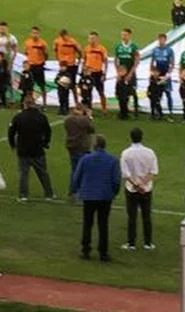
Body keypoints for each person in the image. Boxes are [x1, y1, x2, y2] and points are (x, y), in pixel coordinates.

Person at [71, 135, 120, 263]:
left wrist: (75, 189)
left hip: (89, 195)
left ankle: (85, 250)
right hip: (105, 196)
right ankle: (103, 252)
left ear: (94, 145)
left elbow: (77, 176)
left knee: (87, 223)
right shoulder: (112, 160)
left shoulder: (85, 159)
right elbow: (116, 180)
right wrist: (113, 192)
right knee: (103, 224)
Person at [7, 96, 54, 201]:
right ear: (33, 104)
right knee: (42, 172)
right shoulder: (41, 117)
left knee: (23, 173)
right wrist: (45, 143)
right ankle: (49, 194)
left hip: (23, 150)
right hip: (37, 149)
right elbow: (48, 131)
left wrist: (12, 145)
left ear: (24, 104)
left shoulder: (18, 117)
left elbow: (11, 132)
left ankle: (23, 195)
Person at [119, 128, 158, 251]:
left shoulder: (126, 153)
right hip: (146, 189)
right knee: (147, 216)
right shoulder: (150, 152)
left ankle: (131, 243)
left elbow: (126, 174)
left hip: (132, 189)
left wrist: (136, 185)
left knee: (132, 217)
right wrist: (143, 184)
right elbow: (153, 172)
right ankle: (148, 243)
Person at [64, 103, 95, 196]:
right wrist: (89, 117)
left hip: (71, 146)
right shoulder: (83, 120)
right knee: (84, 170)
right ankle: (82, 190)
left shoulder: (68, 119)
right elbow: (92, 129)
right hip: (82, 147)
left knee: (74, 169)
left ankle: (73, 190)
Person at [114, 28, 140, 120]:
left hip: (130, 72)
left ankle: (136, 111)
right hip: (122, 73)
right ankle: (123, 111)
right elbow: (116, 60)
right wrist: (118, 73)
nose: (123, 36)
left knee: (132, 92)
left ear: (129, 35)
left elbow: (137, 60)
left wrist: (131, 73)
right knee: (121, 93)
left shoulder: (133, 46)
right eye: (122, 34)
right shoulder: (118, 46)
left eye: (125, 35)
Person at [54, 28, 81, 115]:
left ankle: (76, 104)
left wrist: (78, 61)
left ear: (67, 35)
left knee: (72, 86)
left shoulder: (73, 42)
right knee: (62, 86)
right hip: (63, 66)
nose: (63, 38)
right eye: (62, 36)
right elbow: (55, 50)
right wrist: (59, 61)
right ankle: (63, 106)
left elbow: (79, 50)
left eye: (64, 36)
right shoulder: (57, 41)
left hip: (71, 66)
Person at [82, 32, 109, 116]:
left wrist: (104, 74)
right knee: (87, 92)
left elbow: (106, 62)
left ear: (97, 39)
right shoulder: (86, 49)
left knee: (101, 92)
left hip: (98, 73)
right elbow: (84, 60)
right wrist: (83, 70)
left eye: (93, 38)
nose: (91, 40)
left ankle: (104, 108)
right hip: (89, 74)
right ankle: (88, 109)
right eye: (90, 38)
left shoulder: (101, 49)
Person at [149, 32, 176, 117]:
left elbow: (172, 63)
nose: (161, 41)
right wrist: (152, 72)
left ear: (165, 40)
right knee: (156, 94)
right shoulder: (155, 50)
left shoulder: (169, 50)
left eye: (162, 39)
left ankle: (171, 111)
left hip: (165, 75)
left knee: (168, 93)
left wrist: (168, 74)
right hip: (157, 74)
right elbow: (152, 62)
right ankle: (156, 111)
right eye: (159, 39)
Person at [23, 26, 49, 108]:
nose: (35, 35)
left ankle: (44, 103)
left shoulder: (42, 43)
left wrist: (42, 61)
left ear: (39, 34)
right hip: (31, 66)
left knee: (42, 85)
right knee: (29, 86)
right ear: (31, 33)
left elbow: (46, 54)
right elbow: (26, 52)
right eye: (33, 33)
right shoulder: (27, 42)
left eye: (36, 33)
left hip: (39, 66)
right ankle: (31, 102)